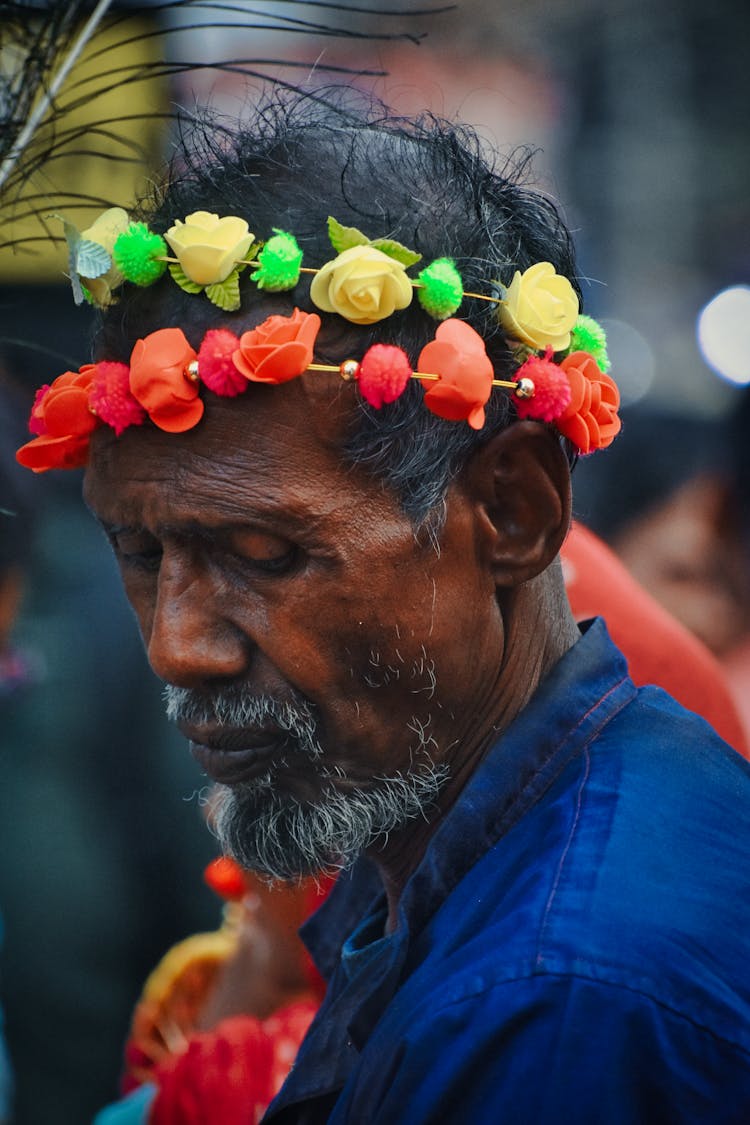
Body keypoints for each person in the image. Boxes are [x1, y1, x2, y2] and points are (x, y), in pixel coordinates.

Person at [16, 91, 750, 1122]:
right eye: (140, 554)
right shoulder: (487, 850)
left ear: (512, 511)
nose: (177, 647)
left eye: (266, 555)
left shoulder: (557, 1003)